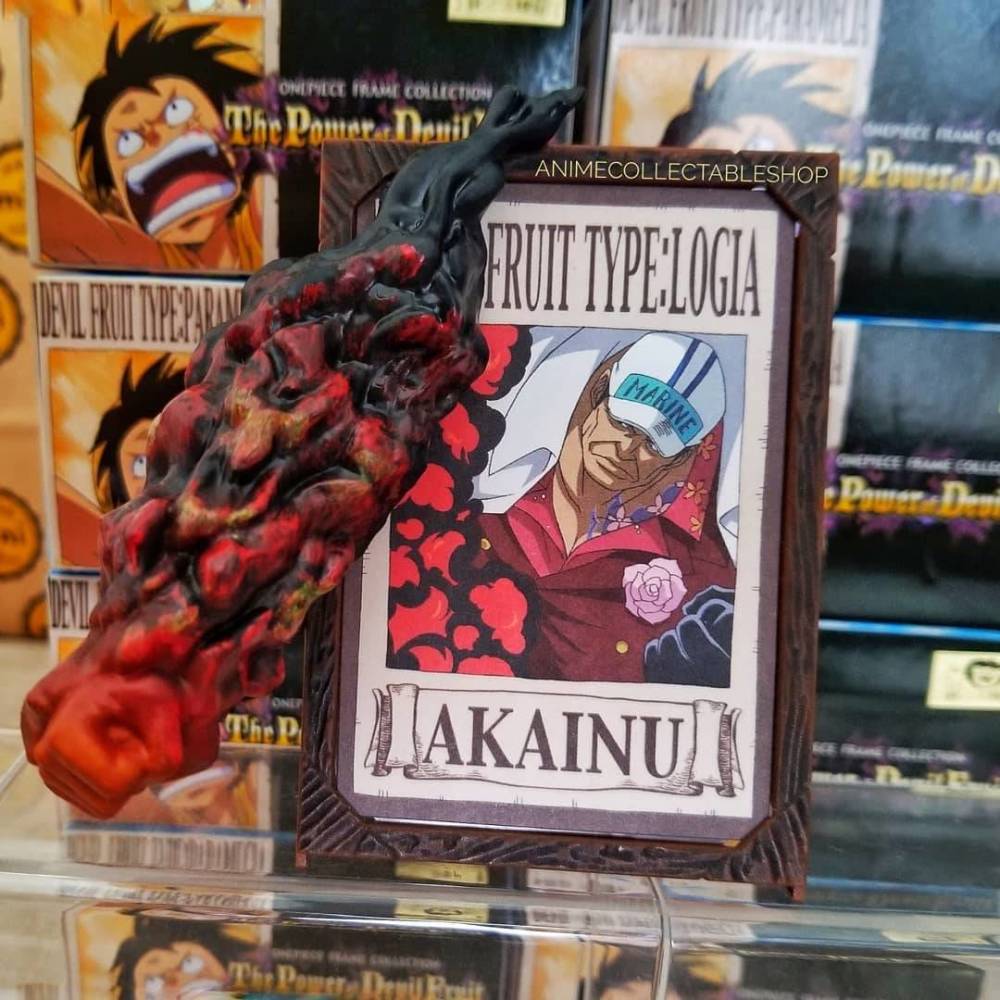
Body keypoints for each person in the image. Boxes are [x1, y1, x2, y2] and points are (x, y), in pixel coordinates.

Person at [472, 331, 738, 686]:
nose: (627, 449)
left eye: (654, 445)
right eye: (624, 423)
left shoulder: (698, 572)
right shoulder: (485, 500)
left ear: (678, 460)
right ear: (599, 391)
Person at [36, 18, 265, 270]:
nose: (156, 137)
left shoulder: (260, 219)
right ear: (117, 198)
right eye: (128, 141)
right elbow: (48, 202)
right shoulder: (140, 253)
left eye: (177, 110)